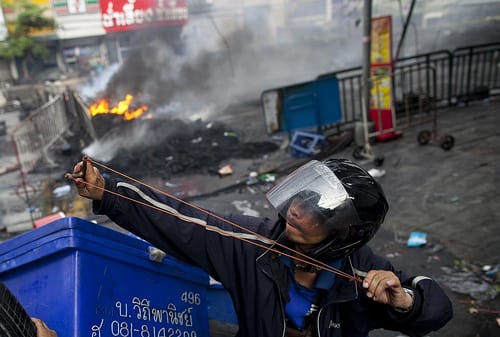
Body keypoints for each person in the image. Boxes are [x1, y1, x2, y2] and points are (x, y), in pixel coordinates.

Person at [71, 157, 452, 337]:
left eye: (315, 212)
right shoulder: (251, 243)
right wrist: (108, 192)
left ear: (344, 234)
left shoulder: (364, 276)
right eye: (299, 200)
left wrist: (404, 300)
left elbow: (436, 311)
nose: (297, 212)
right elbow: (181, 219)